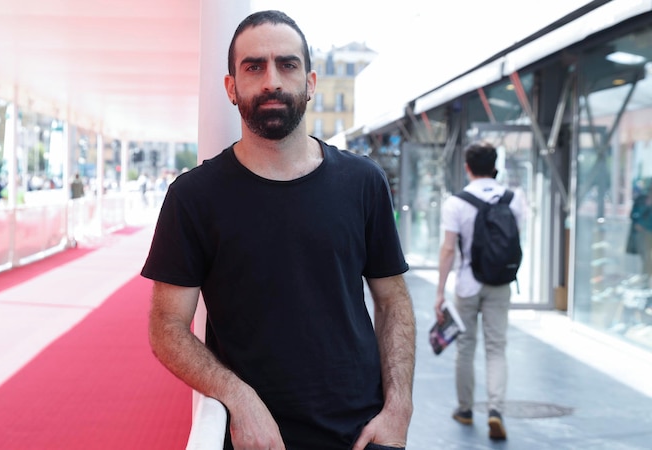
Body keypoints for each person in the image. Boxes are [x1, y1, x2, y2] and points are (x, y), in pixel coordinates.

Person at [142, 10, 415, 450]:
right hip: (256, 439)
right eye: (254, 66)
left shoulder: (363, 182)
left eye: (287, 64)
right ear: (232, 88)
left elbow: (393, 301)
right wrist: (237, 396)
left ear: (309, 83)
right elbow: (166, 326)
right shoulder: (193, 197)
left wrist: (399, 409)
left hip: (362, 435)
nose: (272, 80)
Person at [434, 141, 525, 441]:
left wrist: (439, 292)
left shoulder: (457, 202)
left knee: (466, 347)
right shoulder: (514, 198)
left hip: (467, 284)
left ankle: (465, 409)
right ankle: (496, 410)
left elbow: (448, 250)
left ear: (467, 167)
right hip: (501, 282)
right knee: (497, 347)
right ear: (495, 165)